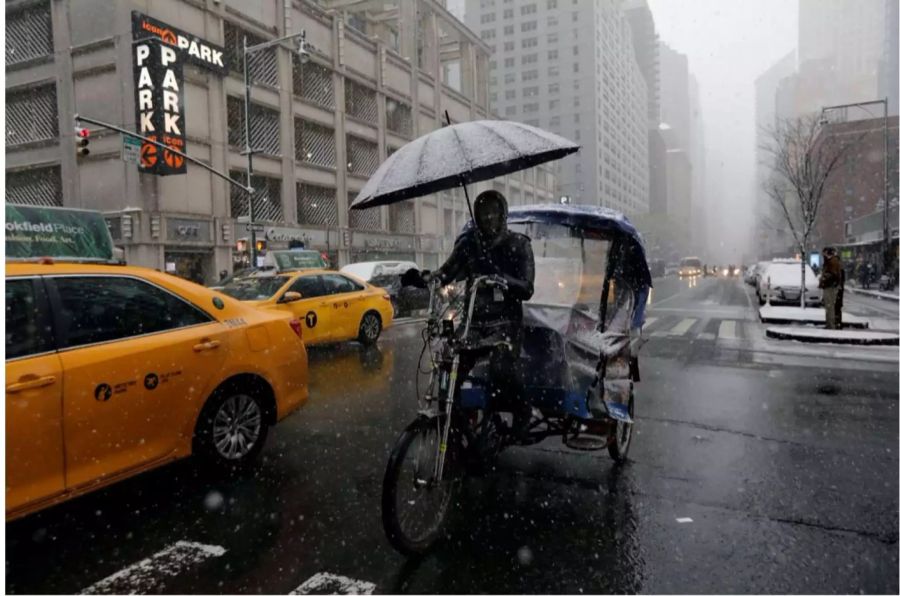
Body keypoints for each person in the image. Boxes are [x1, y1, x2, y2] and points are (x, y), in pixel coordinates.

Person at [422, 190, 535, 432]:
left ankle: (521, 410)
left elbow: (527, 288)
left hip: (506, 325)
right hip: (473, 324)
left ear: (503, 214)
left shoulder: (519, 244)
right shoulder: (468, 244)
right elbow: (447, 271)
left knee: (500, 366)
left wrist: (502, 279)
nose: (488, 217)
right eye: (483, 212)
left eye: (493, 211)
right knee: (447, 365)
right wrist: (428, 278)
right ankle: (453, 424)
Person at [819, 247, 843, 330]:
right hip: (829, 285)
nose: (823, 254)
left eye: (824, 253)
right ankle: (829, 324)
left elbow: (833, 274)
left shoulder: (832, 261)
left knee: (830, 306)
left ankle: (831, 324)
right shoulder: (830, 261)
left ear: (827, 252)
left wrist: (825, 278)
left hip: (830, 286)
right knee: (828, 306)